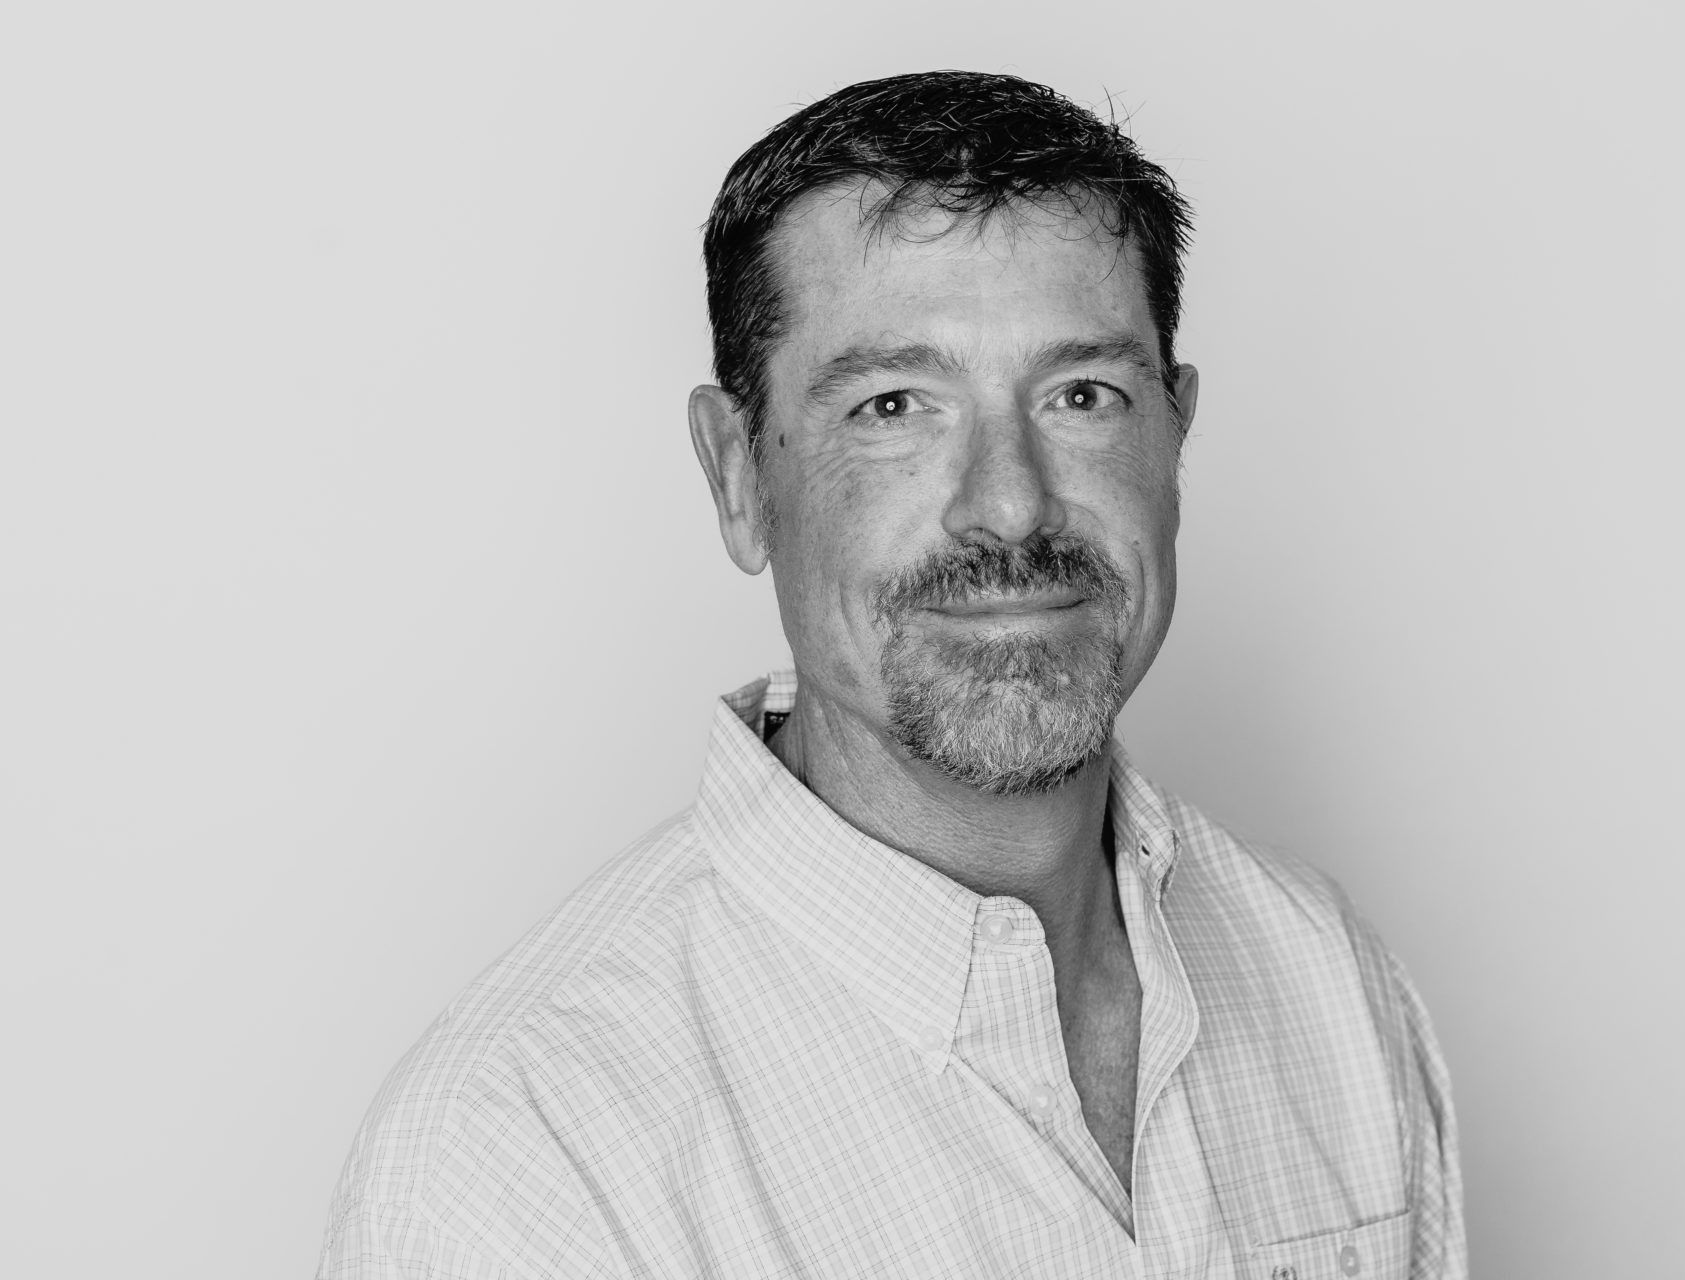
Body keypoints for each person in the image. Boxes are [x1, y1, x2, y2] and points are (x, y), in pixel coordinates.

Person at [318, 70, 1464, 1279]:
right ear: (738, 476)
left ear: (1175, 433)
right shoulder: (519, 1163)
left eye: (1082, 394)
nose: (1009, 505)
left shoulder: (1325, 978)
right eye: (894, 405)